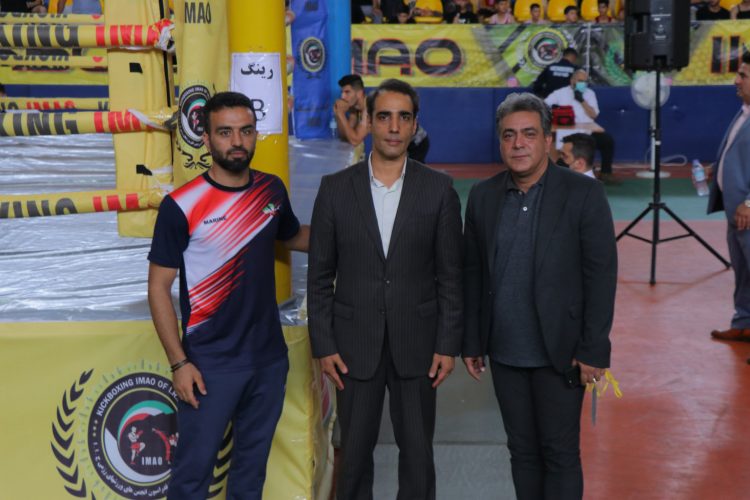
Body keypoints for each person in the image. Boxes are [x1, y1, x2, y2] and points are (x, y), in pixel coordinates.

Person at [147, 91, 309, 500]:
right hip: (209, 365)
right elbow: (158, 288)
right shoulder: (181, 206)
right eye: (225, 132)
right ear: (206, 138)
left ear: (255, 134)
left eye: (246, 131)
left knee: (250, 477)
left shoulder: (271, 190)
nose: (237, 141)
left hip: (268, 361)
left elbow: (294, 237)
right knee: (191, 479)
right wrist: (179, 363)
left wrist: (359, 234)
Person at [307, 78, 463, 500]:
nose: (394, 127)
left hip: (419, 345)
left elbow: (450, 275)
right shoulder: (335, 189)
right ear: (370, 122)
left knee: (418, 457)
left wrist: (447, 344)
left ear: (415, 125)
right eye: (384, 117)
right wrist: (323, 344)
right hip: (352, 346)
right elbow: (319, 276)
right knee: (354, 457)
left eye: (403, 117)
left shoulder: (439, 189)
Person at [462, 92, 617, 500]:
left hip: (562, 353)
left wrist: (594, 348)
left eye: (529, 134)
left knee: (559, 453)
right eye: (509, 135)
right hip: (506, 352)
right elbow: (473, 273)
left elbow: (601, 275)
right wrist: (473, 340)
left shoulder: (583, 194)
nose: (518, 144)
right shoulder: (482, 196)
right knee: (522, 452)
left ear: (548, 140)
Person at [708, 52, 750, 347]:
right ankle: (744, 323)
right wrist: (718, 166)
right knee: (743, 271)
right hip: (736, 213)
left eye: (743, 76)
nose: (736, 80)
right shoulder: (744, 111)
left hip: (747, 210)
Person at [545, 69, 618, 183]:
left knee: (607, 141)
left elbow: (594, 115)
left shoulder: (589, 93)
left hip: (586, 132)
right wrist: (555, 114)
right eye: (580, 81)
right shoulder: (561, 93)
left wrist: (582, 100)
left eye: (584, 81)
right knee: (563, 161)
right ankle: (559, 173)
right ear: (572, 80)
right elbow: (544, 105)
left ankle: (605, 173)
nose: (582, 84)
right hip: (568, 133)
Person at [334, 74, 369, 151]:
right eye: (342, 92)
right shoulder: (354, 108)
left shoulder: (369, 107)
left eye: (347, 92)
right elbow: (345, 137)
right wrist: (338, 114)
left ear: (359, 93)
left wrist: (341, 114)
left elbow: (355, 141)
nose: (342, 96)